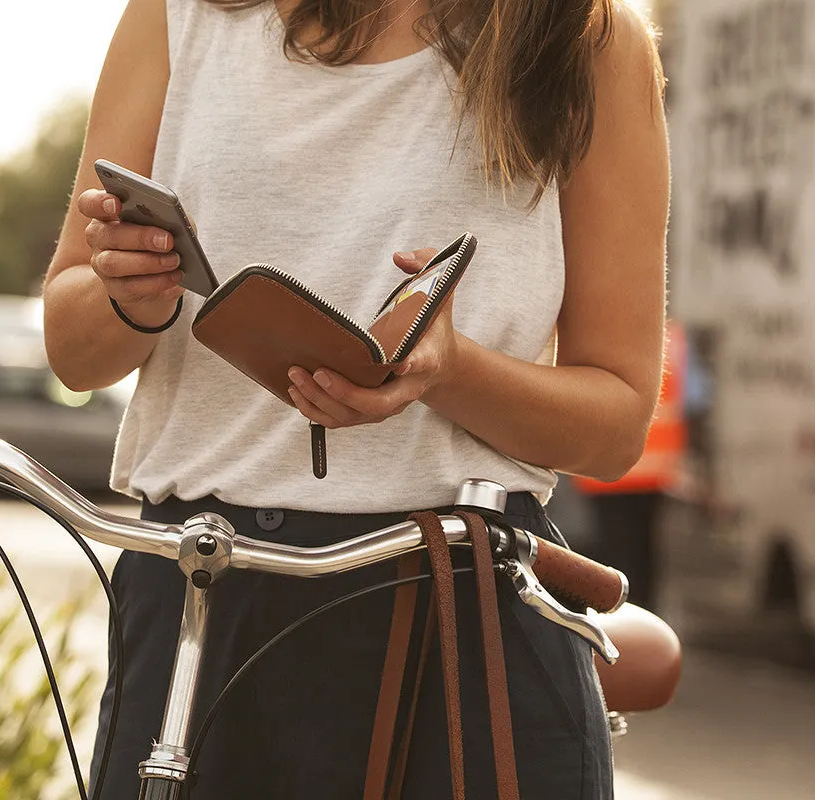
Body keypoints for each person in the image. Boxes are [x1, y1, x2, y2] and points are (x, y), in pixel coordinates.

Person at [42, 0, 669, 797]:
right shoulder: (178, 15)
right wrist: (131, 287)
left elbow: (615, 424)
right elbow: (73, 350)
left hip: (458, 595)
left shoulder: (586, 35)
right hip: (200, 585)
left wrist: (450, 370)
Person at [573, 320, 689, 612]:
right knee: (646, 552)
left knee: (614, 557)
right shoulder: (673, 336)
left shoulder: (593, 332)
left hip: (605, 468)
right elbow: (695, 398)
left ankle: (620, 622)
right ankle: (647, 621)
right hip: (654, 470)